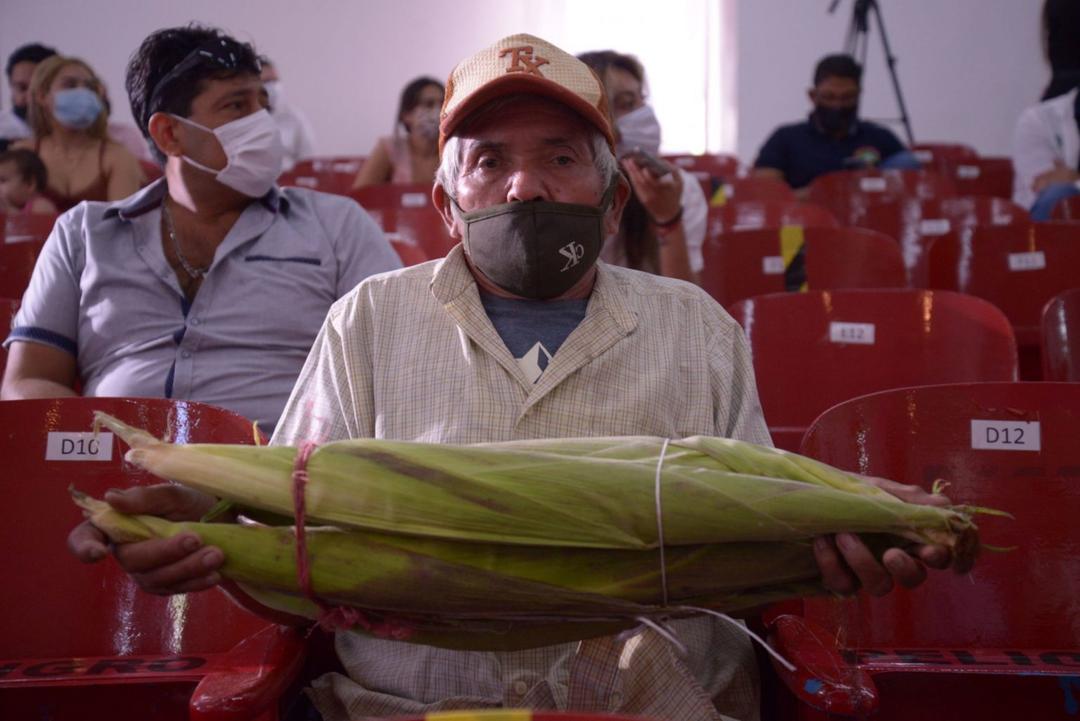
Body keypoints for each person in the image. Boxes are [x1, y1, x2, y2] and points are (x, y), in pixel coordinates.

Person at [68, 33, 965, 721]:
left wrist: (839, 544)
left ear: (613, 201)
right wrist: (205, 530)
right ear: (447, 204)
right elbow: (292, 520)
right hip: (408, 710)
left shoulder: (696, 326)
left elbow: (759, 534)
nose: (524, 187)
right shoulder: (370, 320)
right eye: (489, 161)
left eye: (562, 157)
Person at [2, 24, 401, 434]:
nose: (262, 122)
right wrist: (121, 448)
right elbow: (28, 380)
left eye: (262, 103)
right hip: (115, 477)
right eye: (236, 106)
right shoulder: (84, 234)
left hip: (283, 478)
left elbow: (400, 362)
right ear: (169, 133)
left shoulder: (336, 225)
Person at [578, 50, 706, 283]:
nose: (643, 114)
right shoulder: (567, 189)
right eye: (627, 104)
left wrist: (668, 218)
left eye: (641, 100)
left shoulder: (680, 187)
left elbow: (686, 302)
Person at [753, 54, 919, 190]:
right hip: (807, 224)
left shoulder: (880, 137)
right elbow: (767, 195)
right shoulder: (785, 139)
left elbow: (909, 194)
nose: (837, 105)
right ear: (812, 95)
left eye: (846, 97)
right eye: (829, 97)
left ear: (858, 95)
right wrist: (821, 193)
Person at [13, 55, 143, 210]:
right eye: (70, 85)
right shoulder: (22, 154)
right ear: (42, 96)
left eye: (90, 87)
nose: (83, 92)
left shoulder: (117, 157)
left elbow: (123, 225)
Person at [351, 76, 443, 188]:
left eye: (443, 104)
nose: (439, 111)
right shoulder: (390, 149)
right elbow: (361, 195)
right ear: (407, 115)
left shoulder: (455, 151)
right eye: (429, 104)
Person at [1011, 85, 1080, 219]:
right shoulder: (1037, 119)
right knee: (1059, 195)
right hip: (1043, 221)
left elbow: (1067, 181)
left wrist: (1075, 178)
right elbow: (1044, 185)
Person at [260, 57, 316, 171]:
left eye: (275, 81)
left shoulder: (293, 116)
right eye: (266, 82)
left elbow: (308, 158)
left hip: (288, 181)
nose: (273, 87)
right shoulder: (241, 118)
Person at [0, 43, 58, 150]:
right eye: (22, 88)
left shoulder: (78, 133)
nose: (30, 97)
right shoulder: (3, 133)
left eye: (38, 88)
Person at [0, 147, 59, 214]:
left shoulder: (41, 206)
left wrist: (9, 210)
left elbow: (33, 223)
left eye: (2, 180)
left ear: (30, 184)